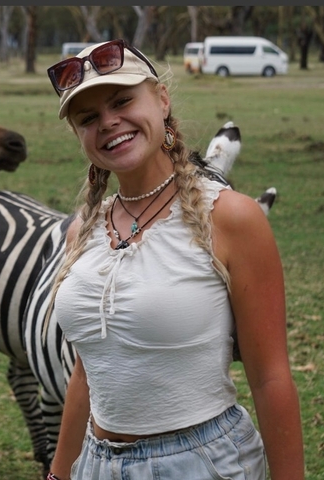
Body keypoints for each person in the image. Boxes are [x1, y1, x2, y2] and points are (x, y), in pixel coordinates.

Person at [42, 39, 304, 479]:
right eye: (88, 118)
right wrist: (57, 474)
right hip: (95, 464)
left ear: (162, 101)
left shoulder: (230, 217)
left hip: (201, 464)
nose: (108, 122)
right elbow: (87, 375)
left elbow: (271, 378)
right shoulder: (82, 230)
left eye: (123, 100)